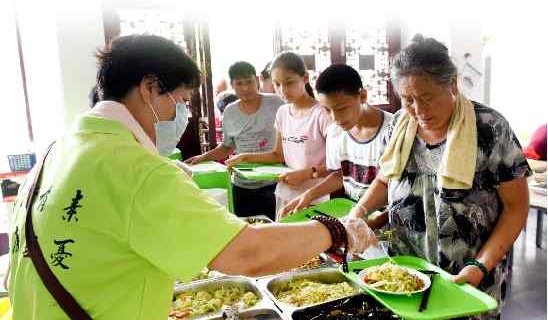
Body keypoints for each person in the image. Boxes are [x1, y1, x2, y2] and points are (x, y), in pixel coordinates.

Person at [7, 35, 376, 320]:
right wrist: (338, 231)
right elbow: (247, 253)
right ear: (150, 88)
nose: (183, 112)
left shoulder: (60, 148)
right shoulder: (133, 167)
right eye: (181, 100)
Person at [347, 35, 531, 320]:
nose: (419, 111)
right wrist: (358, 212)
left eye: (427, 98)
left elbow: (516, 206)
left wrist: (481, 266)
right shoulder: (398, 124)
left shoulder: (490, 128)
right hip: (405, 271)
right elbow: (386, 180)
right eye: (408, 100)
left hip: (469, 272)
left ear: (452, 84)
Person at [278, 64, 393, 219]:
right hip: (352, 211)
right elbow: (341, 175)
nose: (335, 118)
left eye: (341, 108)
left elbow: (393, 188)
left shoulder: (392, 130)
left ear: (363, 96)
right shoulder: (335, 131)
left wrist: (365, 222)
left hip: (385, 216)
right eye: (327, 110)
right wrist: (308, 196)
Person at [226, 52, 332, 218]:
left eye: (289, 82)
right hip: (284, 193)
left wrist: (306, 174)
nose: (283, 90)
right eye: (277, 84)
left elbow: (338, 166)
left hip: (313, 198)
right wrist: (245, 157)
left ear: (305, 78)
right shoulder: (283, 112)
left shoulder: (321, 114)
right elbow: (277, 155)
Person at [185, 61, 284, 220]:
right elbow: (227, 148)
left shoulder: (277, 103)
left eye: (249, 81)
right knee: (246, 229)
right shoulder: (230, 112)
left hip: (274, 183)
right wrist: (202, 157)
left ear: (257, 80)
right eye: (239, 83)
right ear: (232, 85)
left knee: (276, 229)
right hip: (242, 185)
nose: (245, 88)